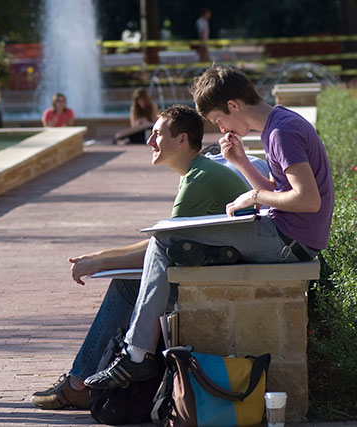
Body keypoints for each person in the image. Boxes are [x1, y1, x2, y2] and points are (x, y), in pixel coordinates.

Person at [84, 65, 334, 390]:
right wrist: (241, 163)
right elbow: (282, 187)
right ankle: (138, 351)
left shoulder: (281, 132)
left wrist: (254, 195)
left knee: (164, 239)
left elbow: (307, 199)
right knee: (172, 241)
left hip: (286, 241)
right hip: (285, 234)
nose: (221, 128)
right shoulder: (280, 123)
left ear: (233, 105)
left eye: (219, 120)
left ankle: (136, 356)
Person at [31, 105, 249, 409]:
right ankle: (80, 381)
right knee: (128, 283)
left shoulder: (198, 179)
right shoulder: (199, 172)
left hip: (224, 282)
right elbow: (164, 244)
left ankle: (80, 383)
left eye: (157, 134)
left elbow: (159, 248)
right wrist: (100, 257)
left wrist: (100, 261)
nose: (149, 141)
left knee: (124, 285)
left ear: (182, 139)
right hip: (220, 271)